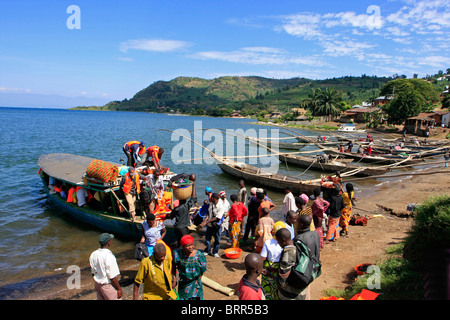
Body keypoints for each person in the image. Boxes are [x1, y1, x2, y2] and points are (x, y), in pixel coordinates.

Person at [294, 214, 321, 300]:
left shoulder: (299, 239)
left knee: (303, 290)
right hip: (314, 265)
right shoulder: (315, 233)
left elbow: (299, 258)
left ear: (301, 225)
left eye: (297, 223)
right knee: (308, 286)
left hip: (305, 268)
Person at [89, 233, 122, 300]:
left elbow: (93, 273)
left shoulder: (94, 254)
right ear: (109, 242)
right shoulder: (109, 255)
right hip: (107, 285)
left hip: (98, 284)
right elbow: (112, 276)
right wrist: (119, 289)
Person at [173, 235, 207, 300]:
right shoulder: (177, 254)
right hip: (184, 283)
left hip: (196, 283)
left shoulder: (199, 255)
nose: (190, 247)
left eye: (192, 245)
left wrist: (198, 278)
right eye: (188, 246)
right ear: (183, 246)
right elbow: (173, 266)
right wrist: (174, 278)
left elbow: (203, 269)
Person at [260, 221, 285, 300]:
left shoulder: (268, 243)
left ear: (273, 231)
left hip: (268, 268)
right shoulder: (285, 243)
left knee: (268, 289)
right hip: (279, 269)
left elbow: (263, 258)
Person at [273, 228, 299, 300]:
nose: (278, 244)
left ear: (283, 240)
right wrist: (275, 269)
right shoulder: (297, 246)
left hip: (290, 295)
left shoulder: (287, 256)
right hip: (300, 291)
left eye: (278, 241)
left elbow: (282, 282)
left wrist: (269, 275)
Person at [200, 193, 225, 257]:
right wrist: (204, 221)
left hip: (217, 225)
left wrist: (207, 222)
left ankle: (215, 252)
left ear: (214, 198)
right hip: (210, 225)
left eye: (211, 198)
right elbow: (208, 214)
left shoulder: (221, 206)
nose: (210, 199)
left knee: (217, 239)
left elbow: (217, 217)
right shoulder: (211, 204)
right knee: (207, 238)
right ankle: (207, 250)